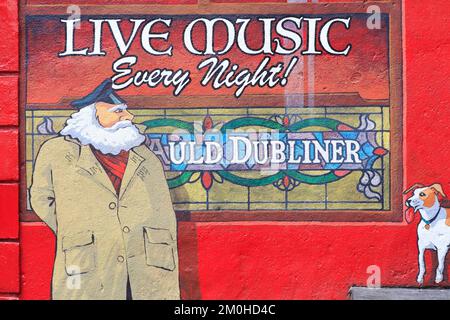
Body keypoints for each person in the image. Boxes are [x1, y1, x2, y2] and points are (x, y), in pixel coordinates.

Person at [30, 79, 180, 300]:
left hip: (145, 267)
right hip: (87, 264)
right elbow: (41, 198)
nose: (128, 118)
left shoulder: (145, 156)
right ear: (92, 115)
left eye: (126, 111)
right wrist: (77, 226)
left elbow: (162, 210)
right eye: (118, 111)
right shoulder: (56, 152)